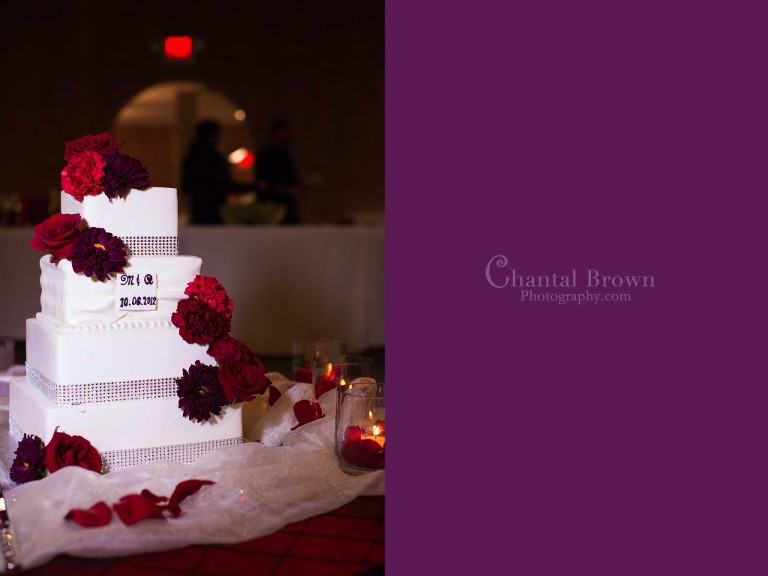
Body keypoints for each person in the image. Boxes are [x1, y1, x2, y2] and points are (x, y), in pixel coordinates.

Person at [182, 120, 251, 224]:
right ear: (212, 135)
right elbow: (223, 183)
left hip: (198, 208)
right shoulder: (211, 156)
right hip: (213, 209)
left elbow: (186, 185)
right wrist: (250, 187)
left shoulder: (192, 155)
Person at [256, 118, 300, 224]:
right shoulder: (266, 155)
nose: (288, 136)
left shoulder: (285, 155)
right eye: (285, 132)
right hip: (270, 208)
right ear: (275, 134)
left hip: (287, 207)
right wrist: (286, 189)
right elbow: (263, 184)